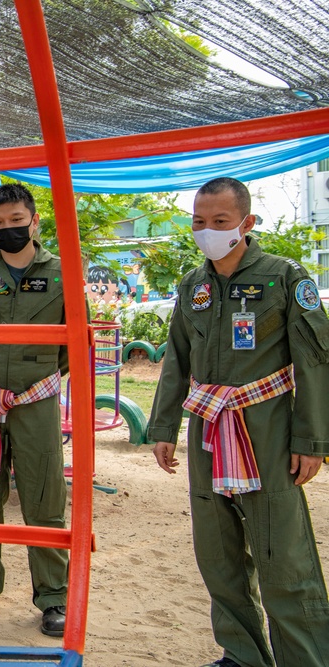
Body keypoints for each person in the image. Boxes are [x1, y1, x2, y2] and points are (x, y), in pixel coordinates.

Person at [148, 177, 329, 667]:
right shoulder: (193, 286)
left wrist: (310, 440)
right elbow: (176, 361)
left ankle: (306, 657)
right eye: (199, 222)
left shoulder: (284, 278)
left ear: (247, 223)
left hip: (266, 429)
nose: (207, 231)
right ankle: (242, 653)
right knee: (218, 551)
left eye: (220, 222)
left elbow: (313, 361)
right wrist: (163, 428)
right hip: (208, 429)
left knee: (283, 556)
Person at [0, 183, 69, 637]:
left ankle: (53, 597)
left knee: (44, 498)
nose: (7, 230)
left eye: (16, 221)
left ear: (34, 221)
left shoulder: (62, 272)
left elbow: (69, 346)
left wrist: (33, 380)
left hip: (36, 401)